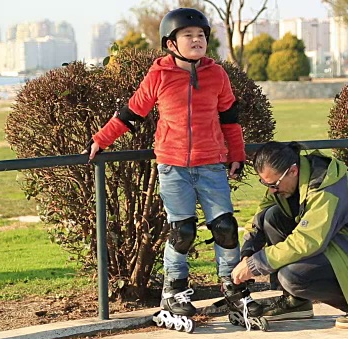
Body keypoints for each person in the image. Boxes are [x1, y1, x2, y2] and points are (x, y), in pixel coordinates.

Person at [85, 8, 262, 323]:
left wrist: (237, 154)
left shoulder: (217, 74)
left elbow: (230, 119)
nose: (197, 41)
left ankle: (233, 288)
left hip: (211, 165)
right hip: (173, 166)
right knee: (182, 232)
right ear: (171, 43)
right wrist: (102, 139)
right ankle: (175, 292)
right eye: (188, 36)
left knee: (226, 229)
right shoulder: (159, 74)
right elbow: (132, 113)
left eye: (201, 36)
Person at [232, 141, 348, 330]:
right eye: (265, 183)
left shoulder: (326, 187)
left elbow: (308, 240)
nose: (271, 190)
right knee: (272, 217)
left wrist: (256, 264)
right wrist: (248, 252)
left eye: (273, 184)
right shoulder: (288, 180)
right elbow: (259, 218)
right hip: (342, 247)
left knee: (292, 276)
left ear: (293, 171)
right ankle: (297, 303)